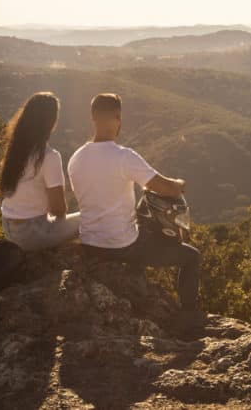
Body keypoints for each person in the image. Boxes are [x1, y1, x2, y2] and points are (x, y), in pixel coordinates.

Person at [68, 93, 203, 327]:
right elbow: (167, 188)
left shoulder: (76, 159)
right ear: (118, 117)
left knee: (139, 224)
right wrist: (181, 184)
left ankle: (135, 280)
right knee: (191, 257)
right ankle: (189, 314)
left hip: (90, 244)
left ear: (93, 117)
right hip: (122, 246)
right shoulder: (124, 157)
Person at [0, 92, 80, 251]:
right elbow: (58, 209)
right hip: (32, 233)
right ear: (52, 122)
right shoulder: (49, 156)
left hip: (9, 228)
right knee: (91, 219)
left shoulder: (16, 149)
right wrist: (57, 226)